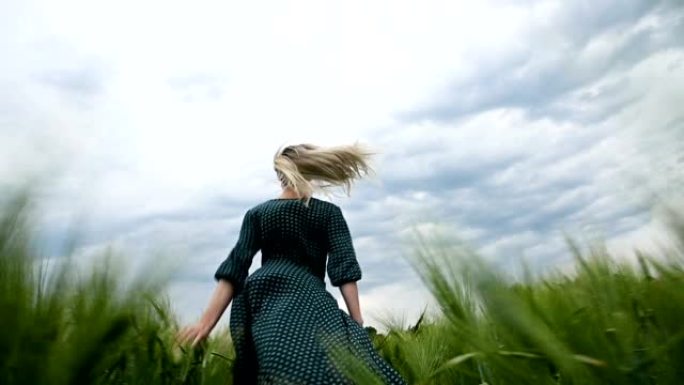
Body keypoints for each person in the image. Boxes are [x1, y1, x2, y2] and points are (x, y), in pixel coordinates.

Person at [178, 143, 407, 384]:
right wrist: (357, 321)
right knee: (353, 370)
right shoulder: (328, 213)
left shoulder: (257, 213)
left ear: (281, 177)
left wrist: (205, 324)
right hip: (310, 298)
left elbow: (235, 268)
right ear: (312, 170)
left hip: (261, 300)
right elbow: (345, 270)